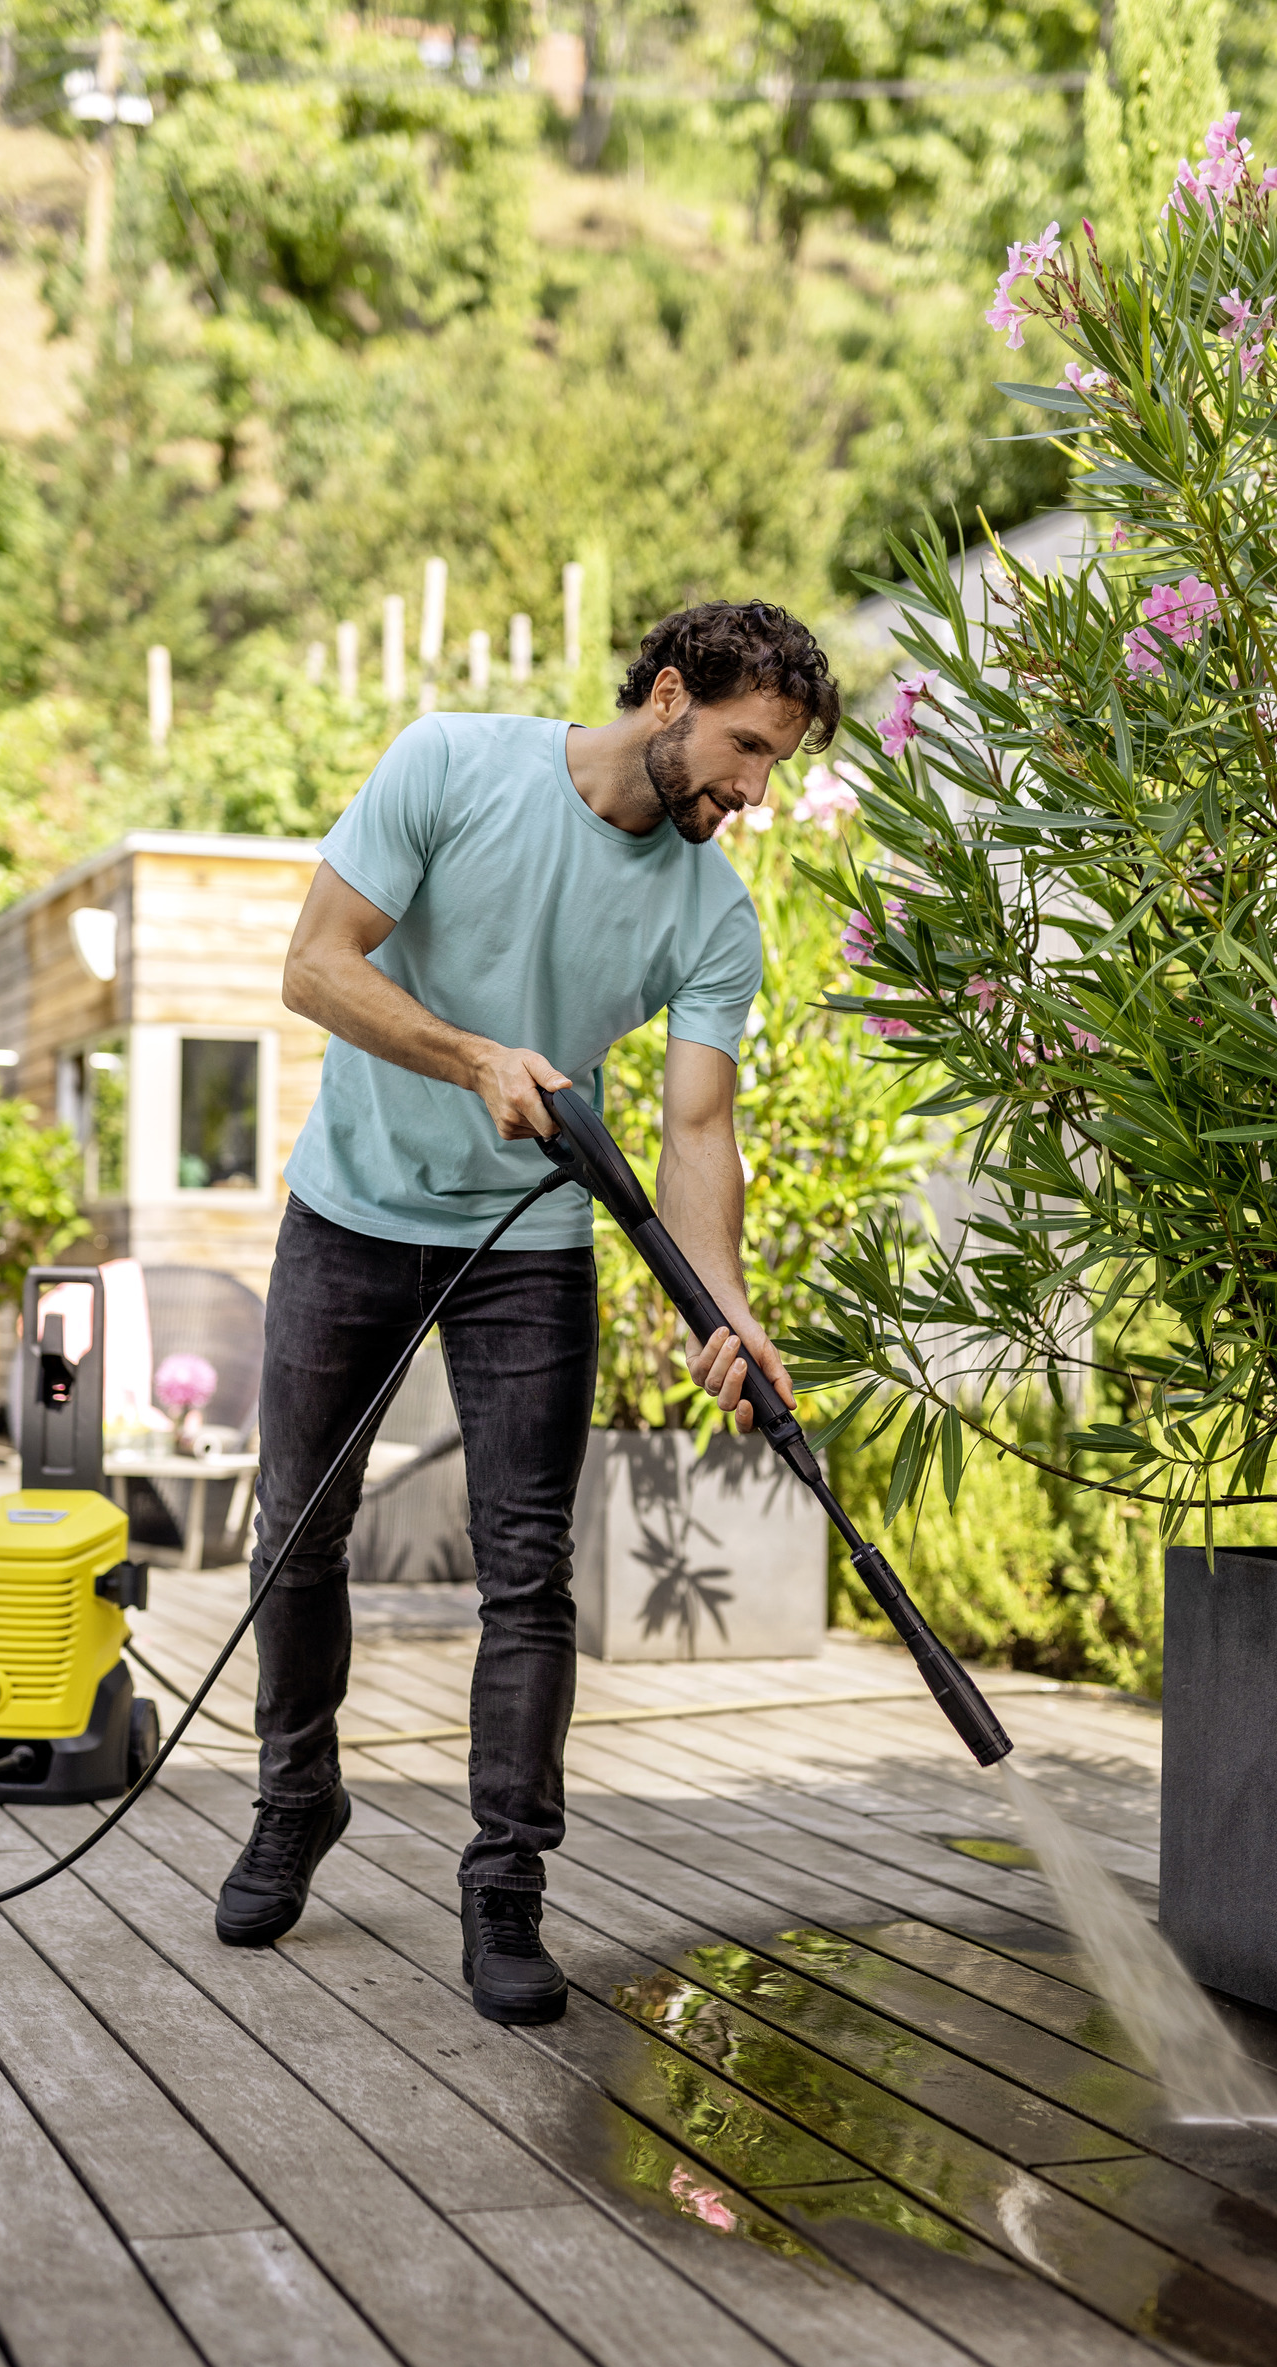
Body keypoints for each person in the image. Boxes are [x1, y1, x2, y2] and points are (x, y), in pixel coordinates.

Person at [214, 599, 841, 2022]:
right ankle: (294, 1797)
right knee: (298, 1533)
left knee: (527, 1575)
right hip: (353, 1208)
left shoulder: (713, 914)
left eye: (776, 767)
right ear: (670, 695)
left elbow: (695, 1138)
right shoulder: (451, 765)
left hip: (531, 1242)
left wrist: (721, 1314)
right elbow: (314, 963)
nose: (753, 792)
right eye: (745, 748)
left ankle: (506, 1888)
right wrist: (472, 1058)